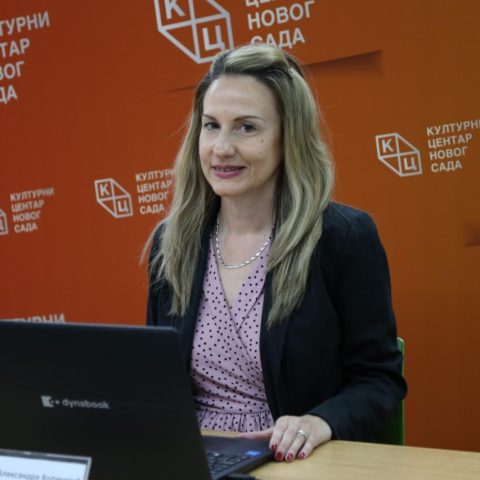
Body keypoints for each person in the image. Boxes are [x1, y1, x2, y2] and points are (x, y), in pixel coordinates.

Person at [146, 44, 406, 462]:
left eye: (246, 128)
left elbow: (379, 381)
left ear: (289, 137)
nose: (221, 147)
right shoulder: (172, 242)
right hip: (191, 459)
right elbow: (158, 382)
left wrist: (319, 422)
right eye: (211, 126)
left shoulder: (342, 238)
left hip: (295, 461)